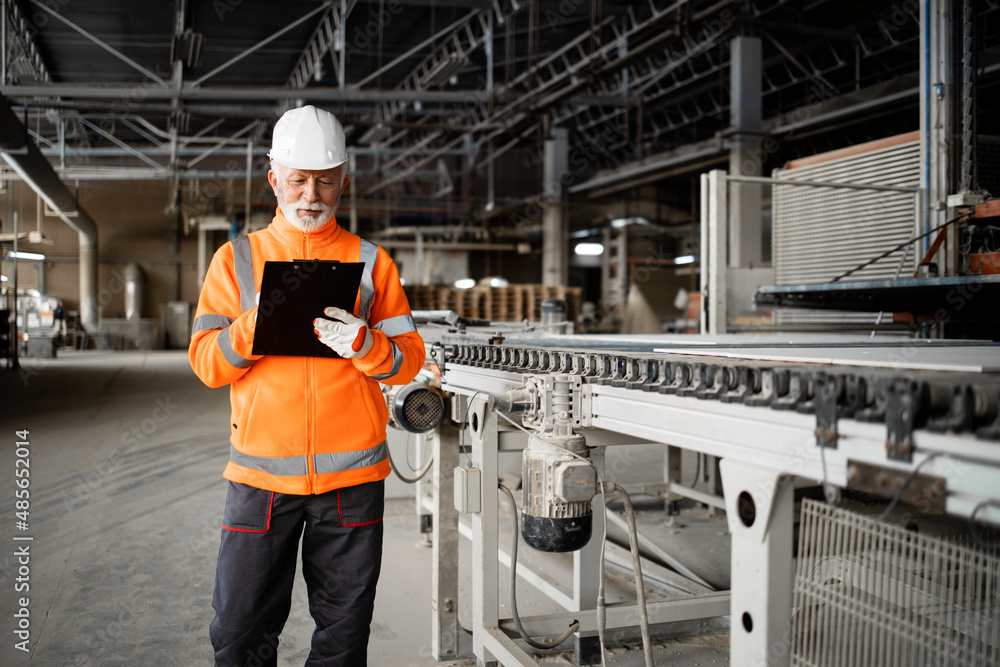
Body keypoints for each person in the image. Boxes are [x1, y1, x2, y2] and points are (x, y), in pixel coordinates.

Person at [189, 105, 424, 667]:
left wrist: (367, 346)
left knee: (343, 637)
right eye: (298, 180)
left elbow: (409, 364)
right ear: (274, 179)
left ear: (344, 179)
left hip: (350, 482)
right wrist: (255, 327)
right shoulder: (236, 261)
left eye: (324, 181)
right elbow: (205, 362)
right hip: (261, 479)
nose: (311, 194)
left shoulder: (372, 264)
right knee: (241, 632)